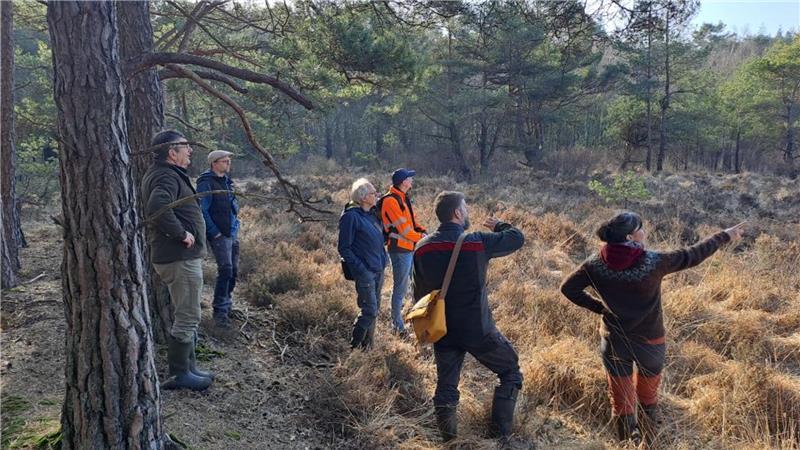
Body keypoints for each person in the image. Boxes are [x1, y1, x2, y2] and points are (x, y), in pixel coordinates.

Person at [560, 212, 744, 443]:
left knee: (621, 401)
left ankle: (627, 444)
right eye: (641, 228)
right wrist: (724, 236)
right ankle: (650, 442)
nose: (644, 231)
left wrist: (600, 308)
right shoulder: (653, 262)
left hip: (613, 341)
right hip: (650, 343)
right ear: (631, 236)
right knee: (648, 397)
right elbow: (692, 255)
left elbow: (567, 288)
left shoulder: (594, 264)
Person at [412, 191, 525, 445]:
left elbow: (418, 295)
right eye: (466, 208)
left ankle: (449, 441)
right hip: (478, 329)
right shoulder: (476, 242)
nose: (468, 213)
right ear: (457, 213)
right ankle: (500, 438)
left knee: (446, 386)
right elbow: (517, 238)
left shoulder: (421, 248)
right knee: (510, 372)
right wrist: (500, 225)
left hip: (442, 329)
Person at [142, 129, 213, 391]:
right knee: (188, 315)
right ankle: (180, 374)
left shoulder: (167, 174)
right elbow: (157, 208)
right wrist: (182, 233)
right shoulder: (164, 175)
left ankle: (190, 367)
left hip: (179, 258)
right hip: (179, 258)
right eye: (184, 147)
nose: (190, 150)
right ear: (172, 152)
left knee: (188, 313)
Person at [338, 178, 388, 349]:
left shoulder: (372, 214)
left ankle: (368, 347)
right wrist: (361, 269)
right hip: (366, 272)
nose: (377, 196)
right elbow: (344, 248)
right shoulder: (350, 216)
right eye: (374, 193)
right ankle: (354, 348)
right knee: (369, 311)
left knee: (374, 310)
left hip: (378, 269)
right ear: (364, 197)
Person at [197, 150, 240, 329]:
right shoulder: (206, 183)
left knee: (234, 271)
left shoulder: (226, 182)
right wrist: (214, 232)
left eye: (229, 161)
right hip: (219, 234)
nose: (228, 164)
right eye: (224, 161)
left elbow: (232, 207)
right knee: (226, 270)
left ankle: (227, 305)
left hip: (231, 232)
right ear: (214, 163)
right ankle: (219, 312)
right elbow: (202, 210)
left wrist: (235, 226)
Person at [380, 168, 426, 336]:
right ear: (403, 182)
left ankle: (415, 318)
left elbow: (412, 223)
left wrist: (424, 231)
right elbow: (404, 230)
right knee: (400, 287)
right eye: (409, 178)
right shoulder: (391, 201)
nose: (412, 180)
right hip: (399, 249)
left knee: (414, 284)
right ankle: (397, 325)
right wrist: (421, 237)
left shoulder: (402, 197)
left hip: (409, 247)